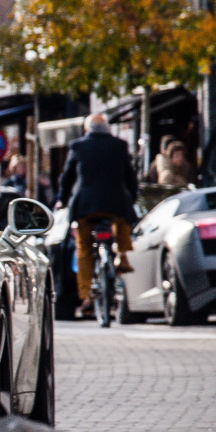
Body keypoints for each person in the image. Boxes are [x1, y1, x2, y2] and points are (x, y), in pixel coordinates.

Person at [57, 113, 139, 317]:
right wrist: (132, 198)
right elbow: (131, 177)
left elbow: (67, 178)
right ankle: (122, 256)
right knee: (121, 223)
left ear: (87, 130)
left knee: (83, 246)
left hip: (86, 205)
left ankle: (85, 293)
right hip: (116, 203)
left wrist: (64, 199)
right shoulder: (119, 145)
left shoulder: (77, 146)